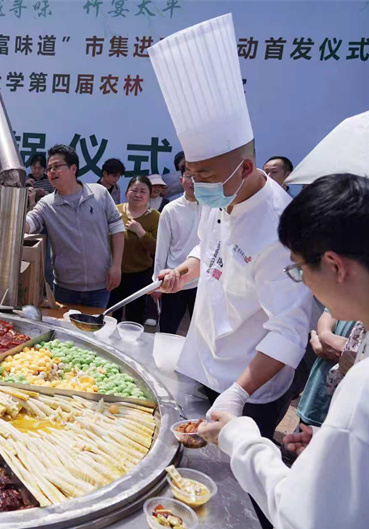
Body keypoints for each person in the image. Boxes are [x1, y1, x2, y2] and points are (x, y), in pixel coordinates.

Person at [151, 14, 313, 440]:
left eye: (204, 175)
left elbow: (289, 329)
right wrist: (181, 273)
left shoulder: (282, 230)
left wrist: (238, 393)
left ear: (244, 167)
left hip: (249, 384)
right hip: (200, 359)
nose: (194, 184)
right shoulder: (220, 196)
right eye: (190, 173)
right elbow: (208, 251)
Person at [197, 173, 369, 529]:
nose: (301, 281)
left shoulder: (365, 385)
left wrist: (239, 437)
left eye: (298, 269)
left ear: (334, 265)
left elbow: (302, 517)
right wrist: (331, 445)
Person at [25, 145, 125, 308]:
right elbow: (29, 223)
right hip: (65, 288)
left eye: (57, 166)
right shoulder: (47, 204)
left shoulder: (99, 193)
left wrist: (116, 266)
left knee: (94, 324)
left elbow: (118, 229)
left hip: (100, 286)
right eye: (49, 168)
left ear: (73, 168)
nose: (52, 172)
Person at [151, 168, 200, 334]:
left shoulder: (213, 208)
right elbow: (162, 247)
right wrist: (157, 282)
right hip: (173, 279)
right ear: (181, 180)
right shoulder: (171, 209)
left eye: (197, 177)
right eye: (189, 176)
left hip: (201, 282)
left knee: (201, 333)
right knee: (166, 331)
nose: (193, 182)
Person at [109, 177, 160, 324]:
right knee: (110, 315)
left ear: (149, 196)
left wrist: (141, 232)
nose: (138, 195)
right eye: (134, 190)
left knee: (135, 317)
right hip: (113, 272)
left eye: (143, 191)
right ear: (127, 192)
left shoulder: (155, 217)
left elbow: (156, 249)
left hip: (139, 275)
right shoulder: (115, 210)